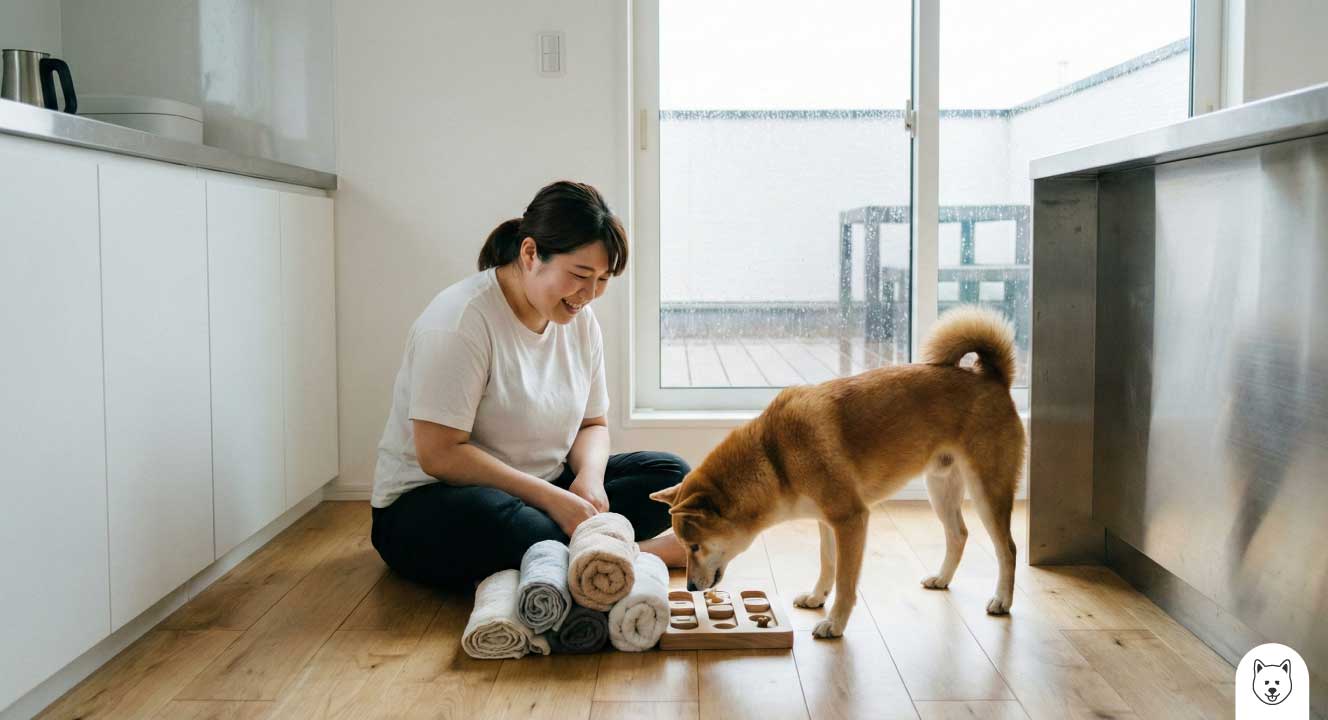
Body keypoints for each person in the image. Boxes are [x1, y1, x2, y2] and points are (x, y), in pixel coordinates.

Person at [369, 180, 689, 589]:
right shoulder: (460, 321)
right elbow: (439, 454)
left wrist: (587, 480)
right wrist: (552, 499)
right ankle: (639, 553)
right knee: (513, 524)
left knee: (669, 476)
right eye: (580, 275)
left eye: (603, 279)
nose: (589, 294)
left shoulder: (579, 321)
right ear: (531, 253)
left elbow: (592, 424)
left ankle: (575, 546)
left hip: (541, 485)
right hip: (432, 501)